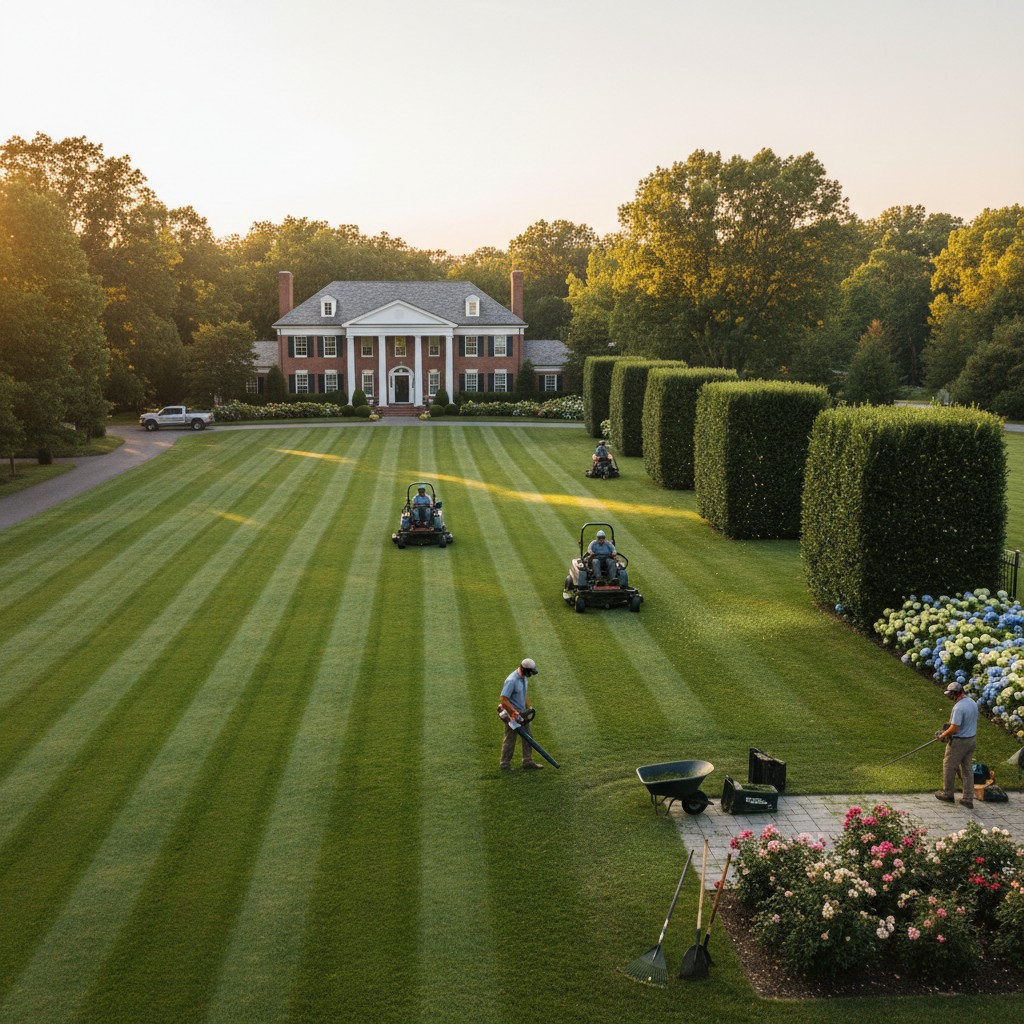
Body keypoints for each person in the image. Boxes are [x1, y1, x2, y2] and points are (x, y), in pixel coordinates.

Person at [935, 681, 979, 808]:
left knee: (949, 766)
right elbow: (960, 722)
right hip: (971, 740)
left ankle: (948, 794)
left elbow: (955, 728)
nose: (950, 698)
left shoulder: (959, 707)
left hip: (959, 742)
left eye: (951, 695)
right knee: (967, 769)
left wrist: (943, 735)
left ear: (955, 694)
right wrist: (947, 727)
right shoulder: (971, 702)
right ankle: (968, 798)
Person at [499, 658, 542, 771]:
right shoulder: (511, 680)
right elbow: (503, 699)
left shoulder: (523, 678)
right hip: (511, 716)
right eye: (530, 672)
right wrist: (514, 713)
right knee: (510, 739)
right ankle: (505, 764)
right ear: (525, 670)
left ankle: (528, 761)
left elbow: (524, 693)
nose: (531, 675)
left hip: (522, 713)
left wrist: (529, 707)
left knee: (528, 737)